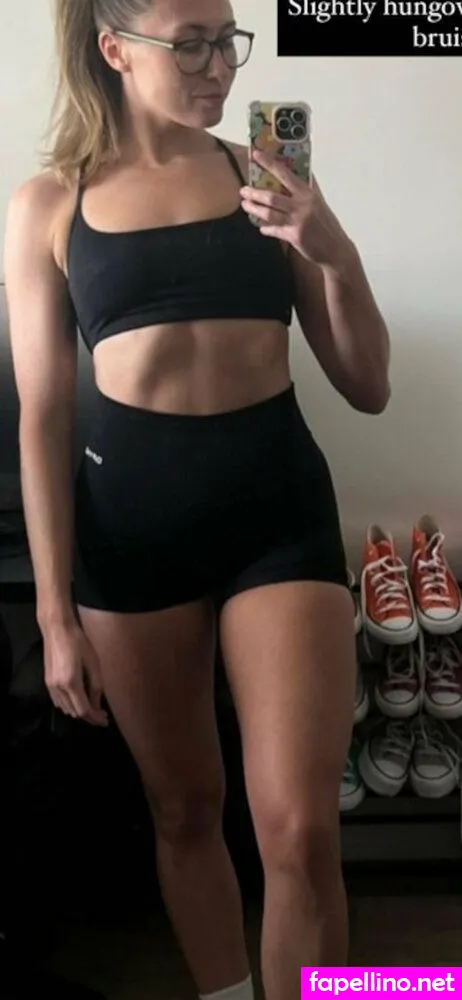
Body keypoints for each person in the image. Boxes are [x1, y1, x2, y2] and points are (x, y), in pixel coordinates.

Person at [4, 1, 391, 998]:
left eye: (228, 39)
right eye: (191, 44)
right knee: (183, 809)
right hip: (130, 541)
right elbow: (43, 418)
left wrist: (334, 249)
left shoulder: (268, 174)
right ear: (115, 49)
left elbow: (368, 386)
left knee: (299, 829)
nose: (220, 65)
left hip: (278, 520)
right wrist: (53, 615)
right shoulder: (48, 204)